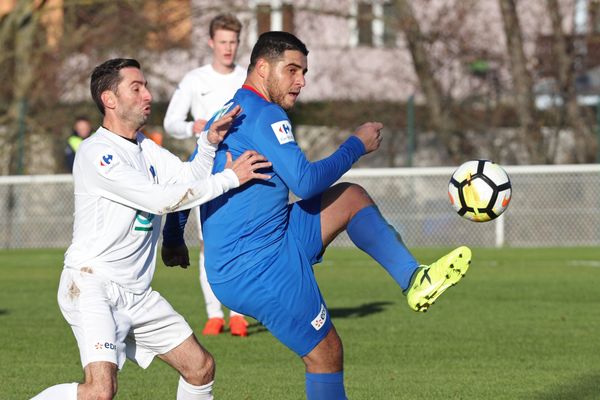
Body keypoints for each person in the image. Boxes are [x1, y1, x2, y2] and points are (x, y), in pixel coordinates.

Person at [163, 32, 472, 400]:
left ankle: (413, 278)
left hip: (274, 237)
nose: (301, 81)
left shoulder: (228, 110)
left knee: (351, 197)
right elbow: (305, 182)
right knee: (325, 354)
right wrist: (356, 144)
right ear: (262, 67)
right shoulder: (264, 114)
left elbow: (191, 175)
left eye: (304, 72)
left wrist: (173, 238)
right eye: (292, 70)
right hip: (254, 266)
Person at [31, 58, 270, 400]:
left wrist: (208, 143)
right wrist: (231, 178)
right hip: (92, 284)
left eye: (145, 85)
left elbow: (188, 179)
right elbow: (162, 200)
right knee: (100, 392)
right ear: (109, 100)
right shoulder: (98, 152)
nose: (148, 94)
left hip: (136, 293)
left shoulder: (144, 147)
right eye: (136, 87)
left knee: (200, 368)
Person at [162, 13, 249, 337]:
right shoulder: (195, 79)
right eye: (223, 41)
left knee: (240, 240)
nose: (228, 48)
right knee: (208, 240)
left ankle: (238, 313)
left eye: (233, 42)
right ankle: (214, 314)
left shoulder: (246, 78)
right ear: (211, 42)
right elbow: (172, 122)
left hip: (241, 165)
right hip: (205, 165)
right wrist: (193, 126)